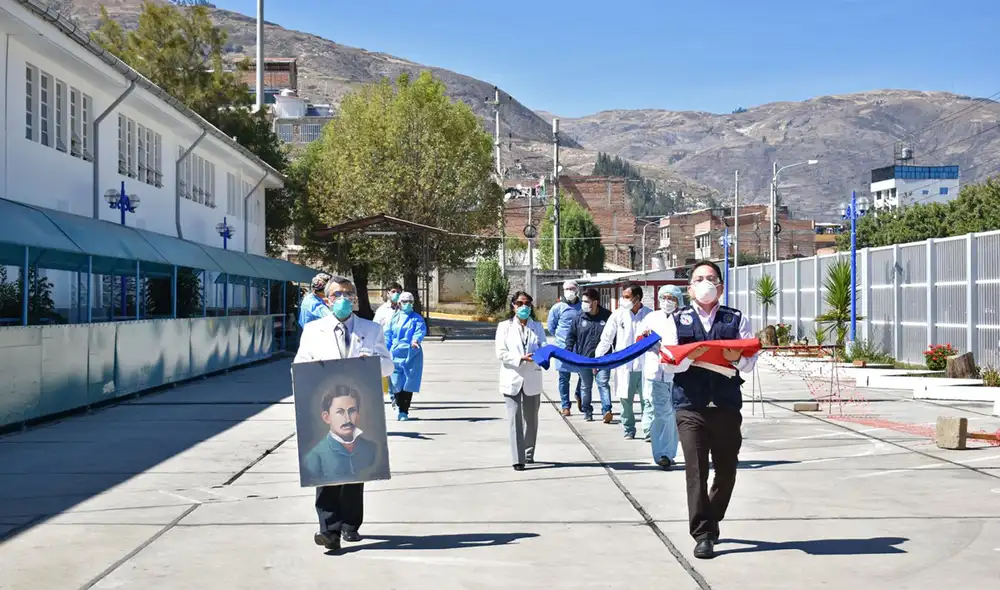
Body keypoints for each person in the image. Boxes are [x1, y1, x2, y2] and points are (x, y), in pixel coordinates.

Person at [661, 260, 757, 560]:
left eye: (711, 278)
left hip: (726, 405)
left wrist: (734, 358)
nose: (706, 283)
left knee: (727, 471)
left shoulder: (735, 318)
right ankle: (703, 534)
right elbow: (667, 362)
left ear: (721, 286)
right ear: (689, 288)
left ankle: (712, 518)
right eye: (699, 278)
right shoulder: (676, 319)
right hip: (691, 405)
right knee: (696, 470)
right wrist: (692, 356)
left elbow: (750, 359)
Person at [294, 275, 394, 553]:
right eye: (337, 295)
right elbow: (299, 364)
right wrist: (313, 365)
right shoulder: (314, 330)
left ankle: (351, 525)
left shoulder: (371, 329)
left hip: (360, 405)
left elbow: (388, 366)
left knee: (354, 466)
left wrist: (371, 364)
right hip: (326, 406)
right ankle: (328, 530)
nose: (343, 299)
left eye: (348, 294)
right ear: (327, 300)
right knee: (326, 470)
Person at [495, 291, 547, 471]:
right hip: (513, 376)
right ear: (513, 306)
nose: (523, 307)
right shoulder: (504, 327)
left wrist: (538, 356)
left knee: (531, 419)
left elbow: (543, 347)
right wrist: (520, 358)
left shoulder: (537, 327)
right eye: (519, 303)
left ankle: (528, 453)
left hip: (532, 376)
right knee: (514, 419)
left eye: (526, 303)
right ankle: (518, 459)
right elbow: (500, 352)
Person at [636, 285, 683, 470]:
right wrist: (647, 340)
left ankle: (670, 453)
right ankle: (661, 454)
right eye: (663, 297)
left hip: (679, 373)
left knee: (674, 415)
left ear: (679, 300)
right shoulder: (651, 317)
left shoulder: (684, 317)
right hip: (656, 373)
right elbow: (639, 340)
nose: (666, 301)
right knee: (661, 413)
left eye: (671, 298)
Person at [596, 283, 651, 435]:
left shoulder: (649, 315)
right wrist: (598, 359)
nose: (623, 300)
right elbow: (606, 338)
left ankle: (648, 431)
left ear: (637, 298)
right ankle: (629, 429)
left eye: (627, 297)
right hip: (624, 365)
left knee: (647, 400)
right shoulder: (618, 315)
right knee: (625, 400)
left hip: (644, 365)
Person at [302, 386, 378, 482]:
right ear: (327, 417)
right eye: (340, 412)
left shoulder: (372, 449)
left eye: (352, 411)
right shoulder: (315, 457)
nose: (347, 419)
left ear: (358, 414)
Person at [564, 288, 612, 422]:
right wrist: (567, 352)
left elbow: (614, 337)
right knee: (586, 386)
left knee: (603, 383)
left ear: (595, 302)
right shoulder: (578, 317)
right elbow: (571, 337)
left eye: (586, 301)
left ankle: (607, 410)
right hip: (583, 358)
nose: (583, 303)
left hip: (603, 359)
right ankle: (587, 410)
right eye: (583, 301)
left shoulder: (607, 316)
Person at [384, 292, 427, 421]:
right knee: (396, 382)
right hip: (395, 353)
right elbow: (388, 334)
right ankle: (398, 405)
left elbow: (419, 331)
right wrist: (385, 350)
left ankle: (404, 411)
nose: (407, 304)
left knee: (409, 382)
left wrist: (416, 340)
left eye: (410, 301)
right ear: (399, 303)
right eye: (404, 302)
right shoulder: (393, 318)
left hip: (412, 353)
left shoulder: (417, 318)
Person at [547, 279, 583, 416]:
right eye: (567, 289)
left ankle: (579, 394)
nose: (569, 292)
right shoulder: (558, 308)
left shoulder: (583, 306)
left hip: (580, 348)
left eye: (572, 289)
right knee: (563, 378)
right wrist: (561, 337)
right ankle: (565, 406)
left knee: (584, 375)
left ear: (577, 290)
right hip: (562, 348)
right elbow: (551, 327)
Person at [373, 283, 403, 400]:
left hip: (401, 344)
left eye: (398, 292)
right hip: (386, 343)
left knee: (401, 371)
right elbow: (375, 326)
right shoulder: (382, 310)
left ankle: (399, 394)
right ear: (389, 293)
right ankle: (393, 395)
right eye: (393, 291)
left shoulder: (405, 308)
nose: (396, 294)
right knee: (390, 370)